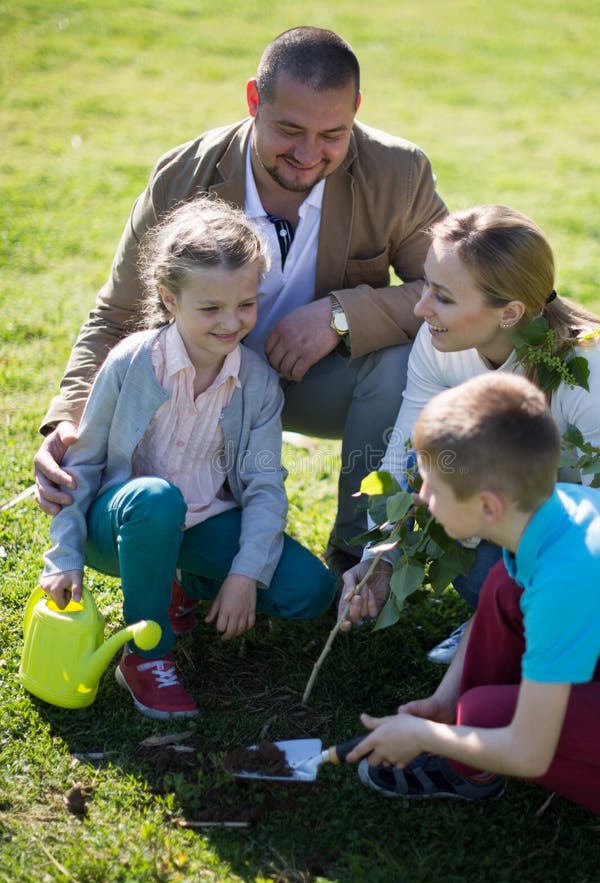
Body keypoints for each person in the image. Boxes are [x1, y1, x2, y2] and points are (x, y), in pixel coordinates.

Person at [33, 26, 448, 574]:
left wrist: (340, 314)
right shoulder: (183, 173)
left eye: (332, 134)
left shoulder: (400, 171)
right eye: (289, 129)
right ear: (254, 99)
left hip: (315, 379)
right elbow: (115, 314)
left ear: (357, 110)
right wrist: (68, 419)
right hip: (195, 387)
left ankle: (356, 554)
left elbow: (444, 290)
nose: (308, 154)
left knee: (399, 362)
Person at [346, 372, 600, 877]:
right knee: (504, 587)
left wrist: (425, 736)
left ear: (486, 506)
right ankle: (471, 760)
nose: (420, 498)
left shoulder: (569, 581)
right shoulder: (551, 513)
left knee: (486, 715)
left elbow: (529, 751)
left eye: (432, 487)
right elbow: (506, 596)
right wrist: (439, 705)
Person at [340, 204, 600, 659]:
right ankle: (504, 617)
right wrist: (379, 558)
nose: (421, 309)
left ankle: (527, 626)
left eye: (443, 296)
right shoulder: (438, 343)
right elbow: (406, 452)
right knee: (450, 506)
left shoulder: (591, 366)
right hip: (530, 499)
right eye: (425, 286)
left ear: (509, 312)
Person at [39, 198, 336, 719]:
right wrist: (64, 555)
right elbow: (81, 468)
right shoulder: (131, 362)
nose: (232, 323)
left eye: (246, 305)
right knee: (157, 498)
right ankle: (146, 655)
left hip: (202, 521)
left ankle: (187, 584)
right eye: (210, 308)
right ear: (168, 299)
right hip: (122, 522)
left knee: (309, 591)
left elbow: (264, 487)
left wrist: (244, 575)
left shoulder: (258, 383)